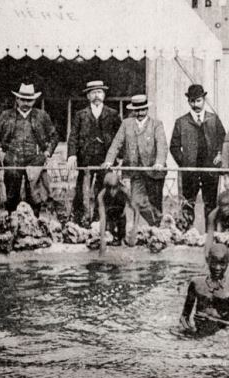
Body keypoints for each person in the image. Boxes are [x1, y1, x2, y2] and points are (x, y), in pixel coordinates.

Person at [0, 83, 58, 217]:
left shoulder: (41, 115)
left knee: (34, 197)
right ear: (17, 99)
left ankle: (33, 226)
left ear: (34, 101)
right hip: (12, 159)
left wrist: (47, 153)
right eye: (23, 99)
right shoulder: (6, 115)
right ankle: (11, 223)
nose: (26, 103)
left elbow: (54, 136)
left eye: (29, 100)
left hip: (35, 160)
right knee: (12, 196)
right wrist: (1, 153)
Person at [102, 94, 168, 227]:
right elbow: (117, 143)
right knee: (136, 201)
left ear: (147, 109)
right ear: (133, 110)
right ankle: (159, 223)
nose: (140, 113)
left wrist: (159, 162)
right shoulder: (126, 124)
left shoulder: (156, 124)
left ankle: (157, 230)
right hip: (135, 171)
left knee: (155, 203)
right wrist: (109, 160)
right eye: (137, 110)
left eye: (143, 110)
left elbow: (162, 144)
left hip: (154, 171)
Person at [170, 84, 226, 230]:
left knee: (210, 204)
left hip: (210, 170)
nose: (195, 104)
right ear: (188, 101)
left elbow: (224, 141)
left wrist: (220, 155)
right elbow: (174, 147)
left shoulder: (213, 119)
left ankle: (210, 235)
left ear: (204, 100)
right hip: (190, 171)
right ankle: (187, 235)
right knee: (188, 204)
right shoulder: (181, 122)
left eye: (198, 101)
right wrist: (184, 163)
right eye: (192, 101)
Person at [67, 80, 122, 226]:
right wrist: (72, 155)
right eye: (93, 93)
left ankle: (100, 220)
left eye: (99, 92)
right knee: (82, 190)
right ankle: (79, 221)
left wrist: (119, 157)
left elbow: (120, 137)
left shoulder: (113, 114)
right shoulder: (80, 115)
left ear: (104, 95)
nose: (96, 95)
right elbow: (73, 136)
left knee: (104, 190)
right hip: (85, 158)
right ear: (88, 96)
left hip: (106, 159)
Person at [179, 243, 229, 336]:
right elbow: (184, 317)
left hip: (222, 336)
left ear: (228, 262)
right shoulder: (196, 284)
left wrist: (214, 320)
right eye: (213, 263)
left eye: (222, 264)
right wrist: (190, 330)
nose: (217, 268)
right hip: (198, 333)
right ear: (207, 260)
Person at [97, 172, 139, 254]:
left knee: (126, 240)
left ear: (118, 186)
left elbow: (136, 210)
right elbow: (102, 217)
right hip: (108, 217)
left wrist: (134, 231)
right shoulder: (101, 195)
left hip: (121, 217)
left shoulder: (125, 191)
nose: (112, 191)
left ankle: (121, 238)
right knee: (106, 237)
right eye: (109, 188)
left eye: (114, 188)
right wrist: (102, 240)